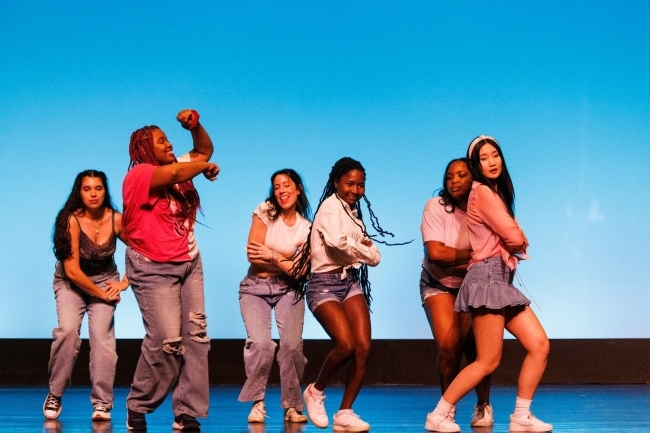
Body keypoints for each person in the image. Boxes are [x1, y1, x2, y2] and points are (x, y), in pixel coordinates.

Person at [425, 136, 551, 432]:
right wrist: (519, 239)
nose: (492, 162)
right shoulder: (482, 193)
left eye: (495, 155)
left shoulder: (492, 193)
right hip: (487, 277)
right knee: (487, 361)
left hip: (499, 278)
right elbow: (514, 237)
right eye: (484, 158)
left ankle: (521, 416)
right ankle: (439, 414)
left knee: (539, 345)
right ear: (476, 165)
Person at [122, 109, 219, 432]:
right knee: (165, 340)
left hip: (189, 262)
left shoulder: (178, 166)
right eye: (161, 141)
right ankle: (138, 404)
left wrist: (195, 126)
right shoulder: (139, 175)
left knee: (196, 337)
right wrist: (202, 167)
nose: (168, 144)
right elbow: (182, 173)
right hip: (152, 266)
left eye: (167, 139)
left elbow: (204, 150)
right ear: (145, 149)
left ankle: (186, 412)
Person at [294, 157, 399, 432]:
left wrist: (359, 247)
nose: (355, 189)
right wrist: (360, 247)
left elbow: (375, 257)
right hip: (322, 285)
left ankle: (345, 412)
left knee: (364, 347)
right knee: (346, 345)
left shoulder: (352, 213)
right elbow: (338, 244)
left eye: (360, 185)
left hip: (349, 282)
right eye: (350, 183)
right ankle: (315, 392)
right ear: (336, 182)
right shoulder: (330, 208)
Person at [44, 170, 129, 422]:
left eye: (98, 188)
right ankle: (55, 393)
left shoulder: (116, 219)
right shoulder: (71, 219)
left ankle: (102, 403)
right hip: (72, 283)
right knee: (68, 332)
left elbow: (141, 251)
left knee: (103, 341)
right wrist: (103, 294)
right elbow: (72, 270)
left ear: (105, 191)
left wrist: (125, 282)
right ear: (78, 192)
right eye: (87, 188)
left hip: (105, 279)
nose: (93, 193)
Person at [420, 158, 493, 428]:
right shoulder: (435, 206)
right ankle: (446, 410)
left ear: (473, 179)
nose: (454, 180)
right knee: (450, 347)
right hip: (438, 284)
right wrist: (475, 255)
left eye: (462, 175)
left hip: (471, 284)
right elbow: (436, 254)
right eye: (449, 176)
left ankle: (483, 406)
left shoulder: (483, 208)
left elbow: (492, 255)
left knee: (477, 349)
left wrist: (475, 259)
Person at [238, 169, 312, 424]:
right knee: (260, 344)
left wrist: (271, 256)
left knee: (291, 345)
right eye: (277, 186)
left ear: (298, 189)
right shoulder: (265, 211)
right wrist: (284, 260)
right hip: (254, 286)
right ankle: (258, 403)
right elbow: (252, 253)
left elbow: (301, 272)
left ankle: (291, 406)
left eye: (287, 185)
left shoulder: (306, 228)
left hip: (288, 288)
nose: (282, 190)